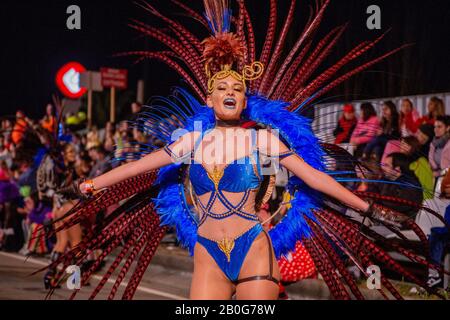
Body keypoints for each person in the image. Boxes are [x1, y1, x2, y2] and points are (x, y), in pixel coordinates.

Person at [49, 0, 443, 301]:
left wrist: (370, 209)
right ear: (210, 97)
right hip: (208, 255)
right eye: (223, 89)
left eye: (238, 89)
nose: (231, 93)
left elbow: (316, 178)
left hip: (254, 250)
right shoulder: (192, 142)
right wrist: (92, 184)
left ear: (245, 98)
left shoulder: (262, 140)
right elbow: (142, 165)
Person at [380, 153, 423, 217]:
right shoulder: (388, 180)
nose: (383, 168)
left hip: (406, 223)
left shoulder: (410, 184)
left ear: (397, 169)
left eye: (387, 165)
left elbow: (395, 205)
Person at [399, 136, 434, 200]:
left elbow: (426, 183)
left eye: (404, 144)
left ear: (412, 146)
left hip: (421, 199)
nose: (401, 147)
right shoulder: (404, 161)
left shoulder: (420, 162)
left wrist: (426, 201)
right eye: (401, 144)